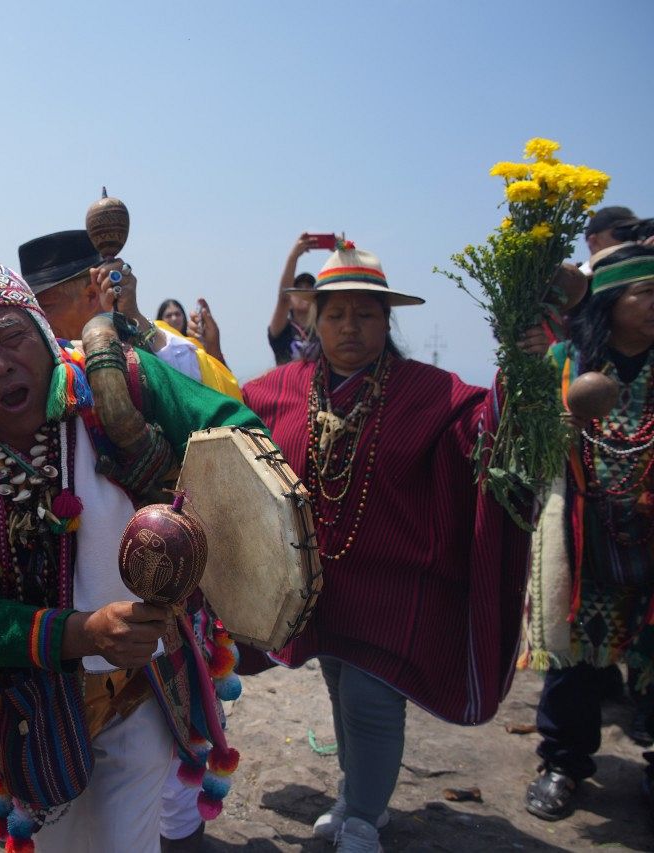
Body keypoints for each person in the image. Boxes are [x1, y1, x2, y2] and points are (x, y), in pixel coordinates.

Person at [0, 255, 264, 852]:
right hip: (32, 704)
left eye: (13, 335)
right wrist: (82, 634)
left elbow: (233, 431)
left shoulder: (122, 381)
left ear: (43, 331)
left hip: (145, 683)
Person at [241, 245, 537, 852]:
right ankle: (355, 797)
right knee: (338, 687)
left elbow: (487, 431)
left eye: (366, 315)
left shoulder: (430, 392)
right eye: (335, 315)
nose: (349, 328)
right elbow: (229, 451)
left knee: (370, 699)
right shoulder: (276, 391)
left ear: (387, 322)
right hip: (318, 586)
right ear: (313, 322)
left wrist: (522, 373)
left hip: (397, 585)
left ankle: (362, 819)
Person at [523, 243, 654, 822]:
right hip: (583, 530)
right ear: (610, 301)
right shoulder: (564, 361)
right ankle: (563, 763)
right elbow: (523, 440)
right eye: (644, 293)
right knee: (573, 656)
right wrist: (559, 422)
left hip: (648, 533)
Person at [17, 229, 242, 400]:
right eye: (29, 308)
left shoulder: (159, 342)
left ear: (92, 294)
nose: (36, 317)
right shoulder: (38, 366)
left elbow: (210, 392)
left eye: (45, 306)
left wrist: (133, 316)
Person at [268, 233, 321, 365]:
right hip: (286, 384)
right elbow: (283, 298)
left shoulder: (322, 328)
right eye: (298, 289)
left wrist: (342, 252)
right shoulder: (282, 329)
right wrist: (294, 256)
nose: (304, 291)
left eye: (309, 288)